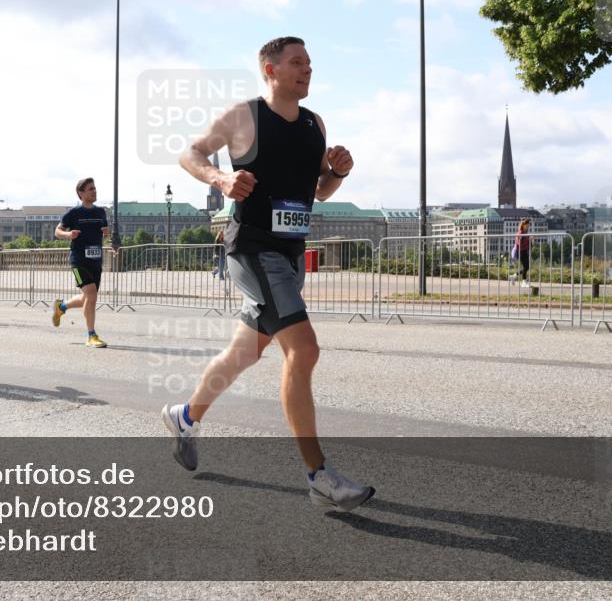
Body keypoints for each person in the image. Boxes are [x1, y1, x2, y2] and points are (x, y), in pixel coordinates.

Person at [162, 36, 374, 512]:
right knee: (304, 349)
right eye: (297, 62)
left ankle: (185, 416)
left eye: (310, 63)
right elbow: (190, 154)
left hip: (291, 253)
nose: (307, 70)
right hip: (253, 249)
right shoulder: (245, 117)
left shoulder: (315, 124)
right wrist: (220, 178)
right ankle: (319, 475)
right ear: (270, 70)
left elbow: (320, 191)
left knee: (244, 353)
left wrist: (338, 171)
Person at [51, 177, 110, 348]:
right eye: (91, 189)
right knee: (91, 294)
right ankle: (91, 335)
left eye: (95, 188)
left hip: (96, 260)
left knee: (88, 297)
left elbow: (105, 233)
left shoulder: (101, 212)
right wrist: (68, 235)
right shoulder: (73, 213)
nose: (94, 191)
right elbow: (57, 231)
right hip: (79, 260)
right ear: (81, 193)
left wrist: (107, 233)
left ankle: (61, 307)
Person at [514, 218, 531, 287]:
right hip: (521, 251)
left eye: (528, 225)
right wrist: (528, 239)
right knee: (525, 266)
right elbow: (520, 244)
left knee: (527, 267)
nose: (528, 227)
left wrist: (530, 240)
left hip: (524, 251)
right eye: (527, 225)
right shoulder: (521, 233)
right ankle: (524, 282)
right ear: (523, 225)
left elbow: (527, 244)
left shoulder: (525, 233)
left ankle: (515, 276)